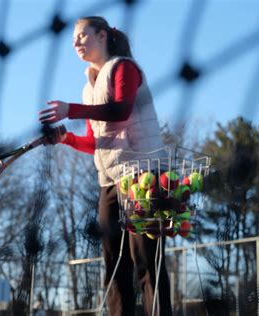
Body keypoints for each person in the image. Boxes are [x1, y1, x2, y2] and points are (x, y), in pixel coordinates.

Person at [39, 16, 172, 316]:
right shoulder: (89, 87)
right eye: (74, 39)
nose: (76, 43)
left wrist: (69, 109)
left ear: (102, 36)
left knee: (146, 261)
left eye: (82, 36)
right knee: (114, 266)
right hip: (110, 183)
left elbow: (120, 111)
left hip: (143, 175)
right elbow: (94, 141)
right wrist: (65, 138)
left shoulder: (124, 67)